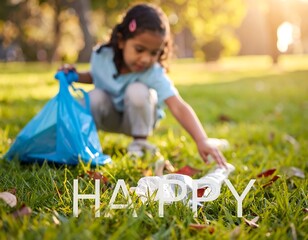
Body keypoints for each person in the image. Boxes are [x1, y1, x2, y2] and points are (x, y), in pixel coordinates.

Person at [59, 3, 227, 168]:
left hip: (140, 120)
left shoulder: (152, 72)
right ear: (121, 41)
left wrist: (201, 139)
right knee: (94, 97)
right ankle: (84, 144)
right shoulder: (101, 55)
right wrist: (76, 76)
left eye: (154, 53)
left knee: (137, 90)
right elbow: (96, 76)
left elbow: (177, 106)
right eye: (139, 49)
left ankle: (140, 145)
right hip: (110, 117)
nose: (146, 59)